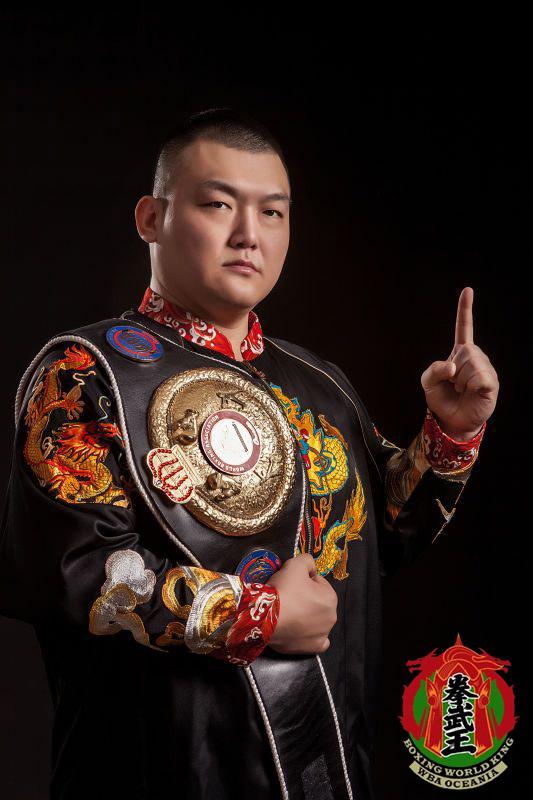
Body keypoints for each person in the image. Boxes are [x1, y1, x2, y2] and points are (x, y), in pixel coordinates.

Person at [0, 108, 499, 800]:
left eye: (272, 213)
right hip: (162, 771)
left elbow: (385, 532)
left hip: (329, 766)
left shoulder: (318, 382)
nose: (248, 235)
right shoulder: (87, 373)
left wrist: (449, 433)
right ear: (151, 218)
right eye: (217, 205)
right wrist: (257, 615)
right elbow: (77, 575)